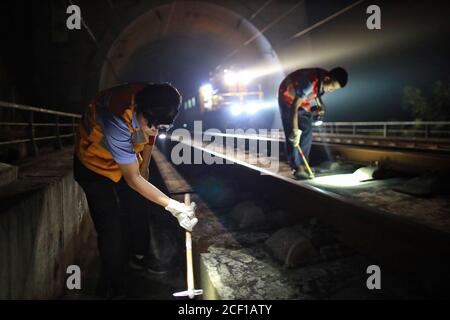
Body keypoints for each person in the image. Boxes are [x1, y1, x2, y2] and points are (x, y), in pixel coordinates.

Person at [73, 82, 198, 298]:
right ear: (140, 110)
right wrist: (173, 205)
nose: (154, 129)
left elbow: (146, 145)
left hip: (123, 160)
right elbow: (132, 179)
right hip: (93, 165)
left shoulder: (151, 101)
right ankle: (115, 284)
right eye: (152, 123)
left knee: (138, 204)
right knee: (110, 222)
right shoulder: (116, 117)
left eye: (160, 125)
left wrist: (145, 169)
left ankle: (139, 256)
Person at [278, 67, 348, 179]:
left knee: (306, 129)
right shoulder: (309, 82)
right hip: (288, 96)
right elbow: (294, 108)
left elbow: (318, 93)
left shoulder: (324, 80)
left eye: (334, 89)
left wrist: (321, 105)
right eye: (331, 88)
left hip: (302, 98)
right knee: (293, 135)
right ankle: (297, 168)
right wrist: (295, 130)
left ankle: (303, 164)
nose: (331, 90)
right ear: (327, 78)